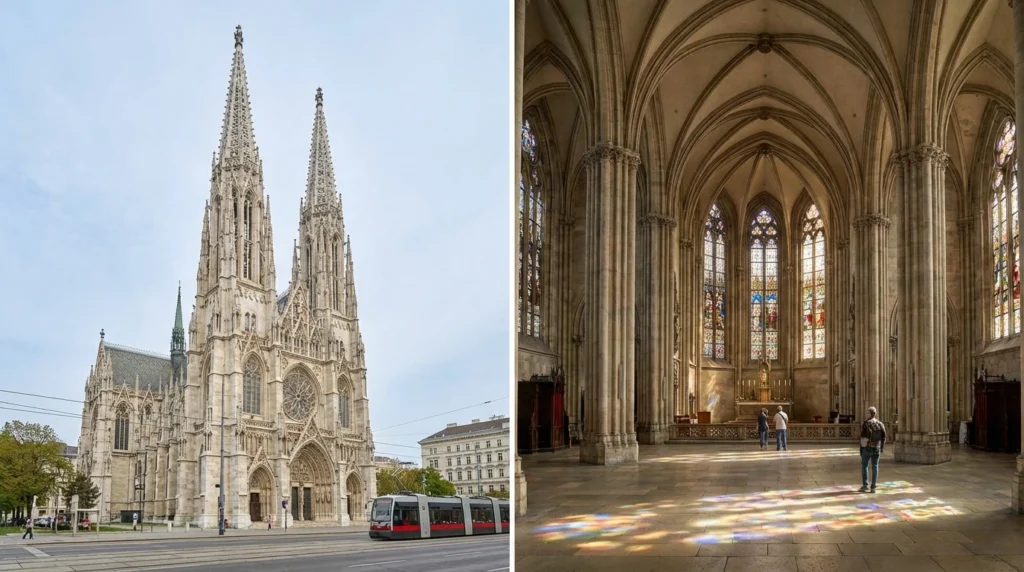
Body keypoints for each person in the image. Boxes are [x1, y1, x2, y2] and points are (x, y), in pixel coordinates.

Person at [859, 406, 886, 493]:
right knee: (875, 467)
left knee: (864, 466)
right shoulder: (880, 423)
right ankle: (873, 487)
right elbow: (884, 437)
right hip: (877, 448)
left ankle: (865, 486)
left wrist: (861, 449)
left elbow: (863, 437)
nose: (866, 414)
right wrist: (881, 448)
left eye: (867, 412)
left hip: (867, 447)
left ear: (871, 414)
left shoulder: (866, 423)